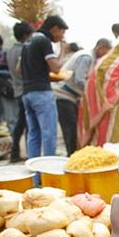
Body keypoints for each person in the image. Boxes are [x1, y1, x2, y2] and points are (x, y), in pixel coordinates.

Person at [21, 15, 69, 161]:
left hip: (27, 92)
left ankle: (35, 176)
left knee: (33, 135)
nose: (62, 36)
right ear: (54, 29)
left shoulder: (27, 42)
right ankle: (49, 172)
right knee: (49, 134)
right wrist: (62, 51)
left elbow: (18, 69)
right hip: (41, 93)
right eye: (62, 32)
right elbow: (56, 68)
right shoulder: (44, 41)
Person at [53, 38, 111, 156]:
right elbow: (79, 79)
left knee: (74, 127)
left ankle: (73, 154)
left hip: (71, 96)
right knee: (70, 129)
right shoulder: (86, 57)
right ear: (101, 47)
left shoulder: (91, 58)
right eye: (106, 52)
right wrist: (92, 94)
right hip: (63, 95)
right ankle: (72, 156)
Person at [7, 22, 34, 162]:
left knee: (20, 123)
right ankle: (31, 153)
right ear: (25, 35)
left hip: (18, 90)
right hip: (26, 89)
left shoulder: (10, 50)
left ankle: (15, 152)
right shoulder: (24, 49)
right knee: (29, 124)